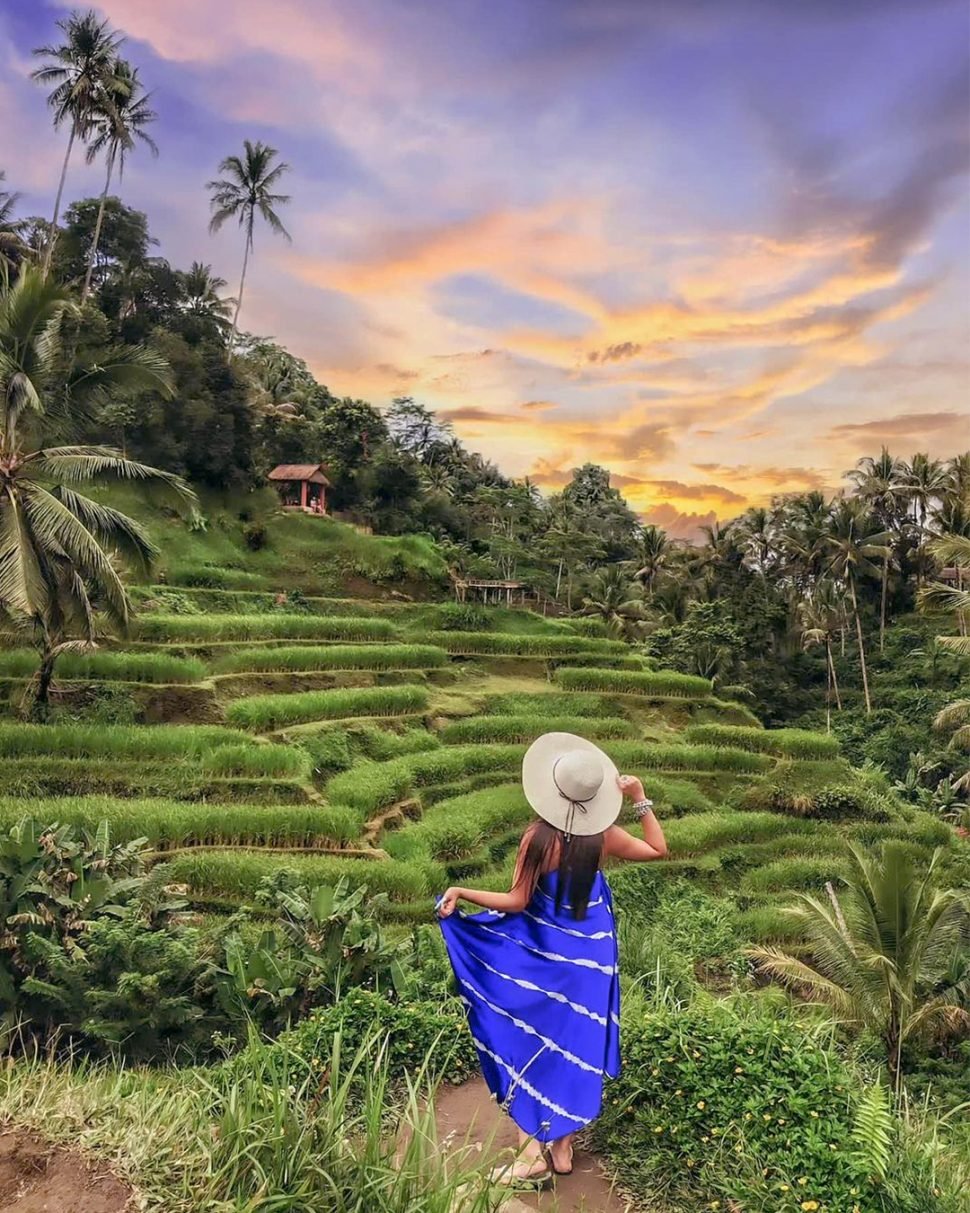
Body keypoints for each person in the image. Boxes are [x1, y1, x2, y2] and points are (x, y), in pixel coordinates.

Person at [437, 731, 668, 1187]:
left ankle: (531, 1155)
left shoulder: (539, 839)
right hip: (592, 960)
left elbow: (517, 900)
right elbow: (658, 849)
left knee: (532, 1042)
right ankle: (562, 1150)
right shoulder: (603, 837)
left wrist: (461, 892)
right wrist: (641, 800)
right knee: (574, 1042)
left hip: (547, 957)